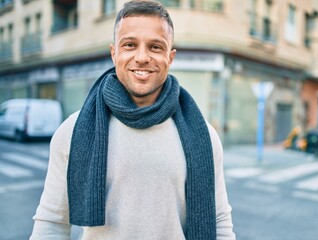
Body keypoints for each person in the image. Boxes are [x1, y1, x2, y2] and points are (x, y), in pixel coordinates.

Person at [30, 0, 235, 239]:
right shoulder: (73, 131)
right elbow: (51, 224)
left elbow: (219, 222)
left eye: (155, 47)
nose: (141, 57)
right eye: (129, 45)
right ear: (114, 52)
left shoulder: (204, 136)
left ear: (171, 56)